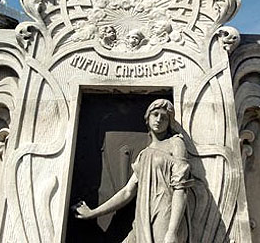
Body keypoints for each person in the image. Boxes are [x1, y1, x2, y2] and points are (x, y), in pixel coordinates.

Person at [73, 99, 191, 243]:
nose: (159, 119)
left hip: (165, 212)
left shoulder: (176, 143)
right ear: (147, 118)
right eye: (155, 114)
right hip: (143, 214)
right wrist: (93, 213)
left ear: (169, 122)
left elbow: (180, 190)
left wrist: (172, 231)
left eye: (164, 117)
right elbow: (127, 192)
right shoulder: (144, 154)